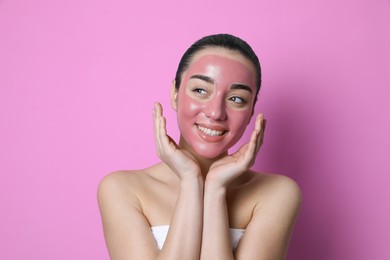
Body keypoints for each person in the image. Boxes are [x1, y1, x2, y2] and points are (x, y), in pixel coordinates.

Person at [98, 34, 301, 260]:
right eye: (201, 90)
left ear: (252, 111)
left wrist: (214, 189)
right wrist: (190, 180)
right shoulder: (122, 189)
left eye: (236, 99)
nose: (215, 113)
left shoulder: (277, 193)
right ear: (175, 94)